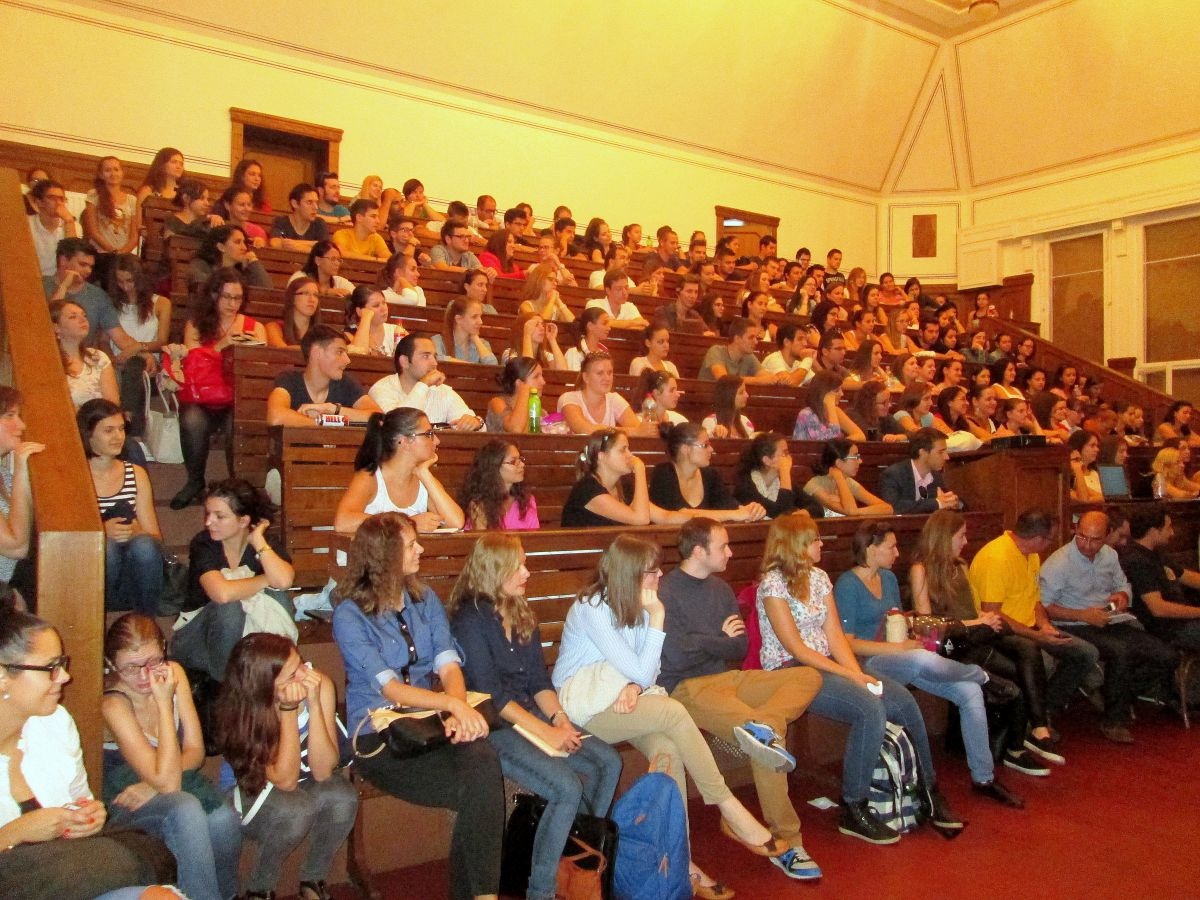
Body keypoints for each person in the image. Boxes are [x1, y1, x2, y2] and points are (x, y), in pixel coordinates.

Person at [552, 533, 791, 896]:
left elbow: (646, 672)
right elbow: (642, 668)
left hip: (625, 700)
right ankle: (728, 806)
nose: (660, 576)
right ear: (632, 573)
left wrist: (633, 685)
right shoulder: (594, 607)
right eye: (652, 571)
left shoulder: (637, 601)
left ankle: (681, 862)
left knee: (669, 749)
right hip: (585, 708)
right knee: (675, 713)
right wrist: (657, 619)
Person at [755, 512, 963, 843]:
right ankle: (854, 807)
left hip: (826, 663)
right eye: (813, 540)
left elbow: (835, 636)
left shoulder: (819, 578)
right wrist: (851, 675)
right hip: (790, 670)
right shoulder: (773, 584)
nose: (820, 544)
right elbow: (795, 647)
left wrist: (855, 672)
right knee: (869, 707)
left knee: (902, 701)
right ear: (794, 545)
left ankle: (929, 789)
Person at [332, 513, 506, 900]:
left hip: (429, 723)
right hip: (379, 736)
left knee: (482, 760)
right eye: (411, 544)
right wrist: (452, 706)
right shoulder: (350, 615)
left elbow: (448, 665)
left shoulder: (424, 599)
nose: (421, 549)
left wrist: (456, 709)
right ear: (384, 556)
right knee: (479, 787)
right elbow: (391, 689)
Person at [447, 534, 621, 900]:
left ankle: (571, 859)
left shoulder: (521, 611)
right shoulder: (470, 619)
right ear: (494, 571)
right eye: (518, 566)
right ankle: (540, 890)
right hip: (494, 725)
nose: (527, 572)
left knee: (608, 762)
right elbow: (493, 696)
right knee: (566, 787)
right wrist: (546, 731)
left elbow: (540, 681)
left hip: (529, 712)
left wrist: (559, 718)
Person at [658, 519, 824, 879]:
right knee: (764, 741)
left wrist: (706, 641)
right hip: (688, 687)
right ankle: (788, 842)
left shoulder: (720, 589)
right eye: (723, 546)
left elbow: (740, 646)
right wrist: (717, 638)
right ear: (698, 551)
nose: (730, 553)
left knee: (808, 676)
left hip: (730, 679)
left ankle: (766, 726)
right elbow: (674, 655)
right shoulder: (665, 590)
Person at [834, 523, 1024, 808]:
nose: (897, 553)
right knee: (924, 659)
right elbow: (847, 643)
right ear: (871, 549)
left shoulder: (887, 578)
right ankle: (983, 675)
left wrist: (914, 637)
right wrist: (899, 648)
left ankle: (984, 777)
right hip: (868, 662)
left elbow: (897, 621)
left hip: (900, 657)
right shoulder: (848, 586)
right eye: (891, 547)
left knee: (969, 692)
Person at [0, 609, 175, 899]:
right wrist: (17, 832)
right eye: (51, 667)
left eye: (62, 664)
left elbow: (80, 801)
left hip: (67, 874)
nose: (65, 676)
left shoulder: (55, 722)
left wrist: (88, 816)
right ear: (3, 675)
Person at [101, 614, 242, 900]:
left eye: (153, 662)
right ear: (111, 665)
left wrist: (153, 784)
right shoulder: (113, 703)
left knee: (224, 821)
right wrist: (164, 703)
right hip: (126, 799)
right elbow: (168, 784)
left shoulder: (174, 672)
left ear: (164, 649)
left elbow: (195, 752)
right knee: (184, 807)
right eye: (131, 668)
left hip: (161, 784)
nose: (145, 676)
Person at [909, 510, 1053, 778]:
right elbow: (928, 625)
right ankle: (1017, 748)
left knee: (1027, 648)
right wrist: (978, 622)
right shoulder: (921, 570)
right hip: (953, 642)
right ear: (944, 537)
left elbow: (974, 608)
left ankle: (1037, 726)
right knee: (1017, 677)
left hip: (975, 633)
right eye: (961, 536)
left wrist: (985, 620)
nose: (965, 542)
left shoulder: (960, 565)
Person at [216, 633, 358, 900]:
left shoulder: (320, 684)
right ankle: (260, 889)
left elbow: (324, 771)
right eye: (292, 674)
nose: (305, 674)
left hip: (299, 782)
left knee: (342, 795)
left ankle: (312, 880)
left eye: (301, 663)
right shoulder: (250, 707)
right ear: (266, 686)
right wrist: (289, 711)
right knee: (295, 809)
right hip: (247, 793)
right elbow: (285, 781)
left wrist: (314, 704)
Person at [968, 509, 1099, 762]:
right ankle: (1034, 723)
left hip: (1032, 627)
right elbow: (993, 614)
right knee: (1044, 661)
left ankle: (1045, 710)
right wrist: (1037, 637)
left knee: (1086, 653)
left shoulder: (1032, 555)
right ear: (1038, 538)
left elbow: (1035, 600)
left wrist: (1045, 626)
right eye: (1050, 539)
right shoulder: (997, 558)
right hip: (1001, 633)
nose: (1051, 544)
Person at [1039, 511, 1178, 743]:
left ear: (1106, 536)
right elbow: (1044, 607)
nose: (1087, 545)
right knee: (1120, 652)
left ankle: (1115, 692)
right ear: (1075, 530)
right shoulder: (1059, 562)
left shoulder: (1110, 555)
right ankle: (1114, 719)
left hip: (1109, 618)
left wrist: (1122, 596)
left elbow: (1122, 585)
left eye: (1095, 540)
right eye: (1082, 537)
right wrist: (1083, 615)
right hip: (1073, 622)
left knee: (1167, 656)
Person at [172, 478, 294, 682]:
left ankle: (272, 673)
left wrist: (258, 541)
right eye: (208, 514)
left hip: (244, 637)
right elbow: (222, 594)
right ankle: (226, 686)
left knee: (279, 599)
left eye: (219, 516)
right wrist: (266, 580)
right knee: (230, 608)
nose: (209, 522)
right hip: (196, 641)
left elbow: (284, 581)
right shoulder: (204, 543)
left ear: (243, 521)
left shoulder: (265, 543)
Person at [171, 269, 266, 510]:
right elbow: (192, 363)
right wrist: (222, 346)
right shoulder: (196, 324)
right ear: (214, 295)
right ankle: (195, 481)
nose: (233, 304)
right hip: (202, 395)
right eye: (227, 297)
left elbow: (260, 366)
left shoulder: (254, 327)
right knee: (192, 420)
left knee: (240, 420)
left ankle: (239, 484)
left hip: (235, 397)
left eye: (238, 298)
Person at [79, 400, 163, 616]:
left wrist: (137, 531)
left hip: (133, 568)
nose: (118, 436)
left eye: (121, 429)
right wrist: (102, 531)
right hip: (90, 568)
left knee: (145, 545)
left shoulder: (136, 473)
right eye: (108, 430)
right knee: (106, 547)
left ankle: (147, 623)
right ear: (89, 434)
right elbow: (69, 537)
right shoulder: (77, 475)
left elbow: (155, 536)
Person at [333, 407, 465, 537]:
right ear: (404, 441)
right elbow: (342, 522)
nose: (437, 441)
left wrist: (424, 473)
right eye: (428, 434)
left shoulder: (423, 479)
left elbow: (456, 523)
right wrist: (407, 523)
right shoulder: (370, 477)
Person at [105, 255, 171, 436]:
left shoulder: (161, 303)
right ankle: (131, 429)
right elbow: (103, 339)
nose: (125, 286)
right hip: (118, 361)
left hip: (148, 364)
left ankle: (128, 421)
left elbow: (162, 342)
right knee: (128, 372)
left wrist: (138, 348)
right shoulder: (111, 303)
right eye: (120, 281)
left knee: (134, 366)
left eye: (130, 281)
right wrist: (112, 359)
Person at [1119, 507, 1200, 654]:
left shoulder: (1155, 553)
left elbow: (1187, 576)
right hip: (1167, 628)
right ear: (1153, 531)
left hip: (1181, 621)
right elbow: (1158, 608)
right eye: (1168, 527)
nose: (1172, 532)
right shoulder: (1137, 561)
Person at [266, 324, 382, 426]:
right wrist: (322, 422)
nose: (347, 360)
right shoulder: (289, 380)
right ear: (317, 353)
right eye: (339, 352)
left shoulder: (346, 383)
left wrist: (332, 409)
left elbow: (379, 418)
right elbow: (276, 417)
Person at [649, 423, 766, 523]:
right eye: (705, 445)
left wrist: (751, 510)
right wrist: (735, 514)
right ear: (686, 449)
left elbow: (729, 505)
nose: (711, 449)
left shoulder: (710, 475)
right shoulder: (663, 473)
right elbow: (679, 514)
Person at [369, 335, 482, 430]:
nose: (434, 363)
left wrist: (476, 422)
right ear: (405, 361)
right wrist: (423, 385)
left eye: (435, 356)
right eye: (425, 356)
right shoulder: (382, 389)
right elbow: (399, 426)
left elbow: (476, 425)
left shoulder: (443, 391)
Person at [43, 238, 132, 349]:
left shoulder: (98, 296)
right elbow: (46, 325)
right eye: (82, 264)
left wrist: (143, 349)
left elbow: (120, 338)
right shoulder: (40, 286)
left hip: (83, 356)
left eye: (90, 266)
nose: (88, 271)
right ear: (63, 260)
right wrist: (64, 286)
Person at [0, 388, 42, 593]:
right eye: (10, 416)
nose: (22, 426)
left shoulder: (2, 473)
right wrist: (21, 470)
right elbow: (16, 547)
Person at [557, 351, 654, 436]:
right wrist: (635, 432)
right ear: (586, 377)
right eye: (600, 373)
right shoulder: (568, 398)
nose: (607, 378)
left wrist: (641, 430)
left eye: (610, 372)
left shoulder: (614, 399)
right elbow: (584, 429)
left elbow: (638, 428)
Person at [456, 440, 540, 530]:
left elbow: (534, 536)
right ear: (494, 467)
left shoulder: (527, 500)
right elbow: (482, 537)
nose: (522, 464)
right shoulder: (479, 504)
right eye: (513, 461)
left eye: (520, 459)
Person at [735, 432, 822, 519]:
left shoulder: (783, 482)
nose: (789, 458)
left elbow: (817, 508)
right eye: (785, 453)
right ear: (767, 460)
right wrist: (785, 473)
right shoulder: (745, 486)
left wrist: (803, 513)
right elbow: (781, 513)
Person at [51, 299, 119, 410]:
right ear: (56, 328)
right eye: (73, 317)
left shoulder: (98, 358)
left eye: (84, 315)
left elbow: (112, 406)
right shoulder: (50, 364)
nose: (83, 320)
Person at [877, 428, 962, 513]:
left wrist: (955, 503)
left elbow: (954, 501)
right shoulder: (893, 475)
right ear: (922, 452)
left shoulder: (936, 476)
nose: (947, 457)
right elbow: (892, 507)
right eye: (940, 452)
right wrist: (937, 503)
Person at [803, 439, 892, 517]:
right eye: (855, 457)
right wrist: (839, 478)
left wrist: (857, 511)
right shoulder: (814, 485)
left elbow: (888, 508)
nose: (860, 461)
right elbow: (850, 510)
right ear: (839, 463)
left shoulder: (849, 482)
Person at [82, 156, 141, 257]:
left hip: (124, 254)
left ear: (122, 173)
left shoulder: (132, 200)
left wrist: (121, 252)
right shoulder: (94, 195)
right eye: (108, 170)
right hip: (100, 253)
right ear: (101, 174)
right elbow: (93, 231)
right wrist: (112, 251)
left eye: (116, 170)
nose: (113, 174)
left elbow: (134, 236)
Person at [189, 225, 273, 289]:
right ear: (221, 247)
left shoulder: (243, 270)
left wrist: (253, 260)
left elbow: (266, 290)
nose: (244, 247)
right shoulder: (200, 265)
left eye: (244, 242)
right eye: (237, 242)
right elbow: (205, 290)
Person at [792, 371, 865, 442]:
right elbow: (832, 439)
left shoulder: (836, 411)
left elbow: (860, 436)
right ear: (824, 393)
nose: (842, 394)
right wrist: (830, 406)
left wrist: (842, 444)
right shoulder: (806, 414)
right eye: (837, 390)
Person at [698, 318, 774, 385]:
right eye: (751, 337)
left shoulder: (749, 356)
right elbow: (723, 379)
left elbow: (767, 377)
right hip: (706, 396)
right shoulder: (716, 351)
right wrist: (758, 380)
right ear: (737, 339)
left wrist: (776, 378)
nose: (756, 342)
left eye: (756, 337)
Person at [27, 179, 79, 276]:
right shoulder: (27, 224)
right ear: (39, 202)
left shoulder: (70, 225)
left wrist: (69, 222)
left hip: (60, 279)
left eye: (61, 199)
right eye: (52, 198)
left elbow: (73, 259)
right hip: (32, 277)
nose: (59, 203)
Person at [487, 356, 547, 434]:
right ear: (518, 383)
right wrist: (524, 390)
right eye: (536, 377)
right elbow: (515, 429)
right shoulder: (497, 403)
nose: (543, 382)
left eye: (542, 376)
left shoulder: (539, 411)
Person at [345, 284, 406, 358]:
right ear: (359, 311)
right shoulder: (350, 334)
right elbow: (358, 356)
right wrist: (365, 318)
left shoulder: (397, 331)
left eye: (384, 303)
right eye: (376, 305)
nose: (383, 308)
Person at [433, 296, 497, 365]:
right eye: (474, 317)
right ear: (458, 319)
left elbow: (492, 364)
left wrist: (475, 338)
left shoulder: (483, 343)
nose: (480, 322)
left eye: (480, 316)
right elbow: (438, 359)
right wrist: (472, 367)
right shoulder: (438, 341)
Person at [265, 277, 323, 349]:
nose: (312, 299)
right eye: (306, 293)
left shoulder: (323, 334)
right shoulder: (274, 328)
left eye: (315, 295)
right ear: (292, 298)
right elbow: (283, 352)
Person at [270, 183, 329, 251]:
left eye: (316, 203)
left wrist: (295, 245)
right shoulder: (280, 221)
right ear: (294, 203)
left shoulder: (319, 223)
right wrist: (313, 245)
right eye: (309, 202)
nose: (315, 207)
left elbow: (325, 249)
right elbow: (275, 243)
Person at [702, 374, 754, 439]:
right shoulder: (711, 422)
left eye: (745, 391)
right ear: (728, 395)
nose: (747, 395)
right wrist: (715, 435)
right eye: (741, 392)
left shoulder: (745, 421)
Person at [563, 307, 611, 371]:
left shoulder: (604, 352)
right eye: (604, 323)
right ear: (590, 326)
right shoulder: (573, 353)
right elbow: (575, 377)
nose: (609, 328)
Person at [1067, 429, 1104, 502]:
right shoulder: (1069, 476)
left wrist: (1095, 498)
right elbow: (1084, 500)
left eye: (1097, 446)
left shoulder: (1095, 473)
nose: (1097, 449)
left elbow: (1107, 497)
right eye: (1092, 445)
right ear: (1078, 447)